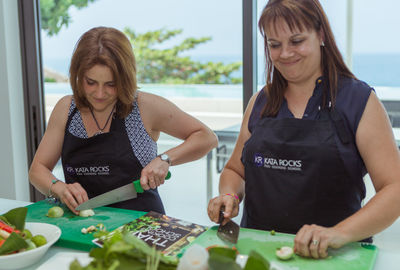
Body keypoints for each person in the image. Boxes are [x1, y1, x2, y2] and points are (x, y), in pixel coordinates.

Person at [208, 0, 400, 259]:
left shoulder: (359, 100)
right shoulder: (260, 101)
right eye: (274, 45)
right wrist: (229, 194)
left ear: (320, 34)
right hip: (257, 253)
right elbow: (234, 170)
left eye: (296, 41)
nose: (285, 53)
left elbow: (394, 188)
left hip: (334, 256)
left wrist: (338, 233)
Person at [29, 26, 218, 216]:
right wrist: (58, 187)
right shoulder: (66, 109)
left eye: (111, 84)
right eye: (91, 82)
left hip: (144, 226)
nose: (100, 93)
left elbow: (207, 137)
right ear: (78, 76)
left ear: (125, 78)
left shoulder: (145, 107)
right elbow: (38, 170)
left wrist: (165, 159)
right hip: (82, 225)